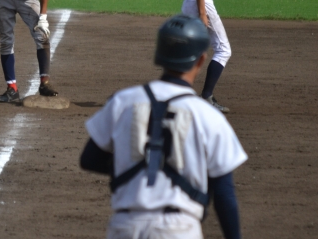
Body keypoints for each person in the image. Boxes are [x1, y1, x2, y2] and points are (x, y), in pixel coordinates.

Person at [80, 15, 247, 239]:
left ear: (159, 53)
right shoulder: (208, 116)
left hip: (126, 226)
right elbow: (224, 194)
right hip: (179, 228)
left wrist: (136, 165)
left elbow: (89, 159)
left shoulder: (123, 101)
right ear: (200, 60)